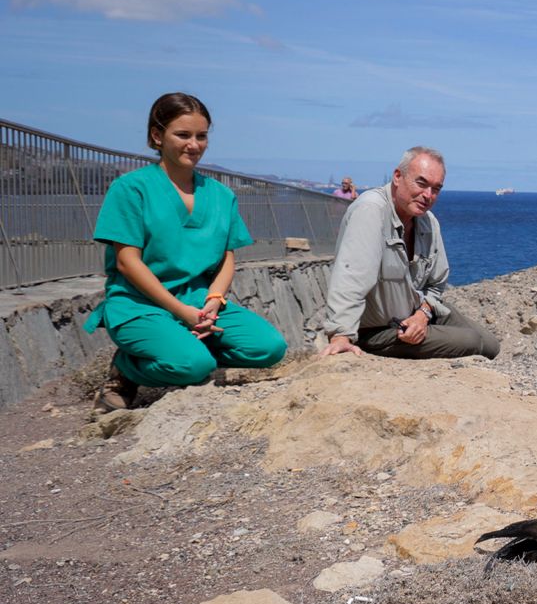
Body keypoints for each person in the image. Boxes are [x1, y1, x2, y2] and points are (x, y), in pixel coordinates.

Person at [85, 93, 289, 411]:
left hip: (199, 302)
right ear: (157, 136)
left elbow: (226, 259)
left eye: (201, 136)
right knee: (193, 367)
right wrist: (181, 312)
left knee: (268, 348)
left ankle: (187, 351)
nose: (194, 145)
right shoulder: (130, 189)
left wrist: (213, 301)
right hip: (140, 304)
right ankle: (125, 370)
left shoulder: (221, 195)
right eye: (183, 135)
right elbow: (127, 263)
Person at [320, 146, 499, 360]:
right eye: (421, 183)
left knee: (490, 345)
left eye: (436, 189)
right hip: (379, 330)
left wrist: (422, 314)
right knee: (471, 342)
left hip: (417, 313)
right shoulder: (371, 211)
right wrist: (341, 335)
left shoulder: (428, 222)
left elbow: (436, 283)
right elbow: (351, 278)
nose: (428, 195)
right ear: (398, 176)